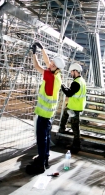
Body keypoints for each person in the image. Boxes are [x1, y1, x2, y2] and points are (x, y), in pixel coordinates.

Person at [26, 41, 65, 175]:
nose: (50, 65)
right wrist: (43, 48)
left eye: (53, 65)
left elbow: (37, 66)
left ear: (57, 68)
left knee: (41, 138)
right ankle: (45, 158)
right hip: (49, 113)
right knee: (47, 137)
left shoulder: (50, 77)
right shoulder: (57, 75)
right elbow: (48, 62)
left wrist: (34, 53)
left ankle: (41, 164)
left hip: (44, 113)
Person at [58, 63, 86, 154]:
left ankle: (76, 146)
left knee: (75, 127)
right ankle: (62, 130)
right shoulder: (81, 80)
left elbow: (69, 94)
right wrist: (65, 86)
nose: (71, 73)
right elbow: (71, 91)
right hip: (75, 106)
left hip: (75, 107)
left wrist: (61, 85)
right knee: (65, 113)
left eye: (71, 72)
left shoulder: (76, 83)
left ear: (75, 71)